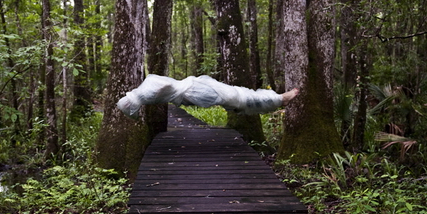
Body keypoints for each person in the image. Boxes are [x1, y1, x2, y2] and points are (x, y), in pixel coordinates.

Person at [117, 74, 299, 119]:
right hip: (193, 91)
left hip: (194, 90)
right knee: (233, 96)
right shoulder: (143, 90)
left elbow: (165, 85)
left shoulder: (145, 90)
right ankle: (277, 100)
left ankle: (279, 99)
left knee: (234, 96)